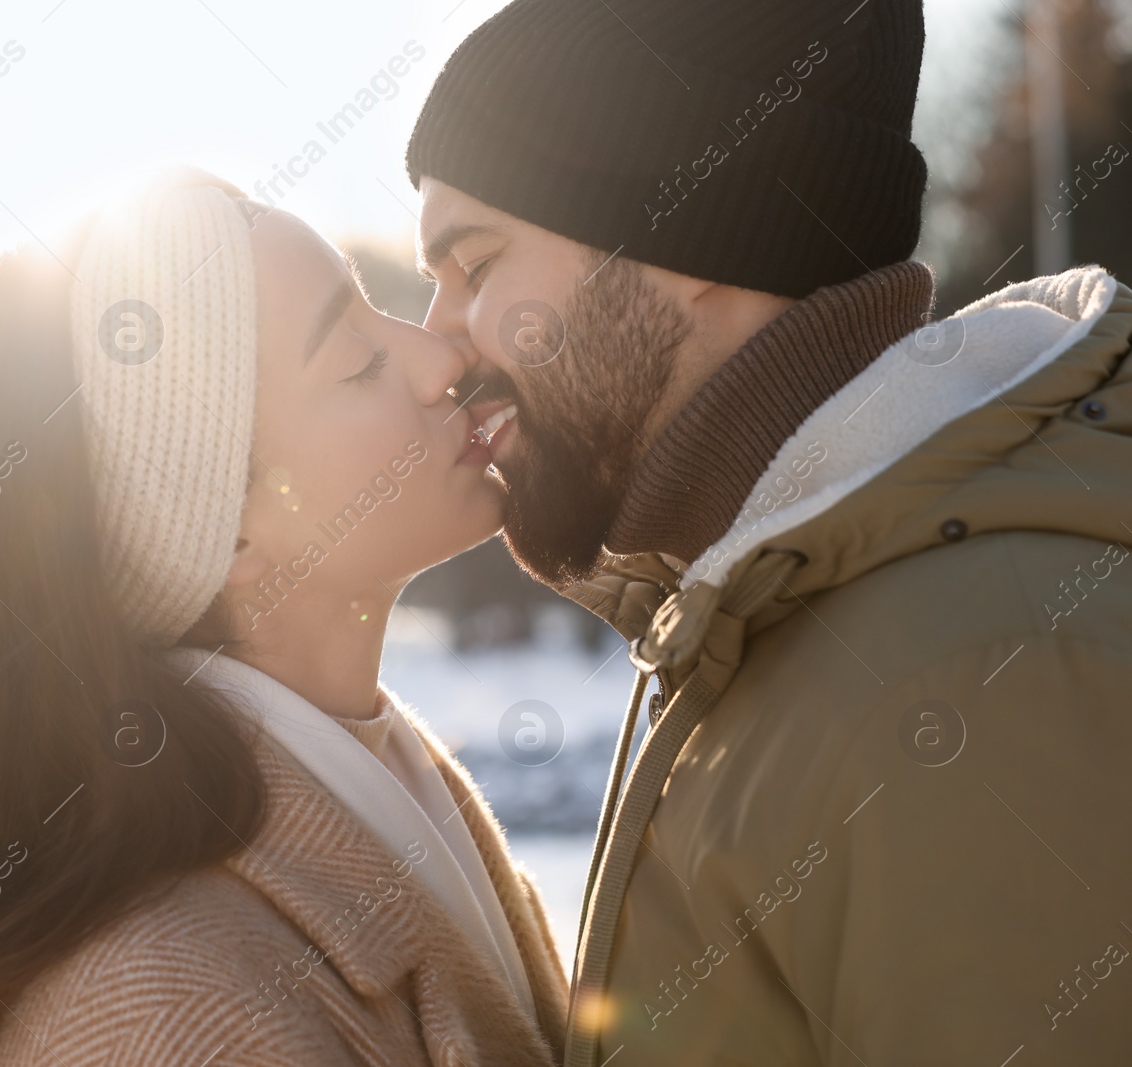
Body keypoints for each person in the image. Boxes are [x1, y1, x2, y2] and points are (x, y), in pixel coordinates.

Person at [405, 0, 1132, 1064]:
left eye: (475, 264)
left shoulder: (977, 670)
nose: (440, 344)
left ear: (693, 233)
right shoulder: (758, 608)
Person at [0, 170, 569, 1067]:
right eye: (357, 359)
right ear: (222, 531)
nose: (439, 358)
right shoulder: (159, 1018)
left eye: (378, 313)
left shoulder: (397, 791)